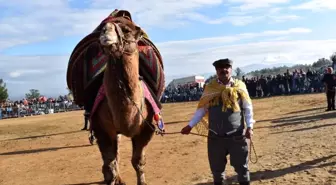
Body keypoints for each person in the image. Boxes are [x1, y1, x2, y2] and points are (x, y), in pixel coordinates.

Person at [181, 58, 255, 185]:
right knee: (217, 172)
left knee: (243, 169)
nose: (223, 70)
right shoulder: (210, 88)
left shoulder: (239, 86)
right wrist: (190, 125)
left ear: (231, 69)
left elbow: (248, 108)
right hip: (215, 138)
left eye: (226, 67)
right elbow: (202, 109)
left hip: (237, 136)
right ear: (216, 71)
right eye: (220, 68)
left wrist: (250, 126)